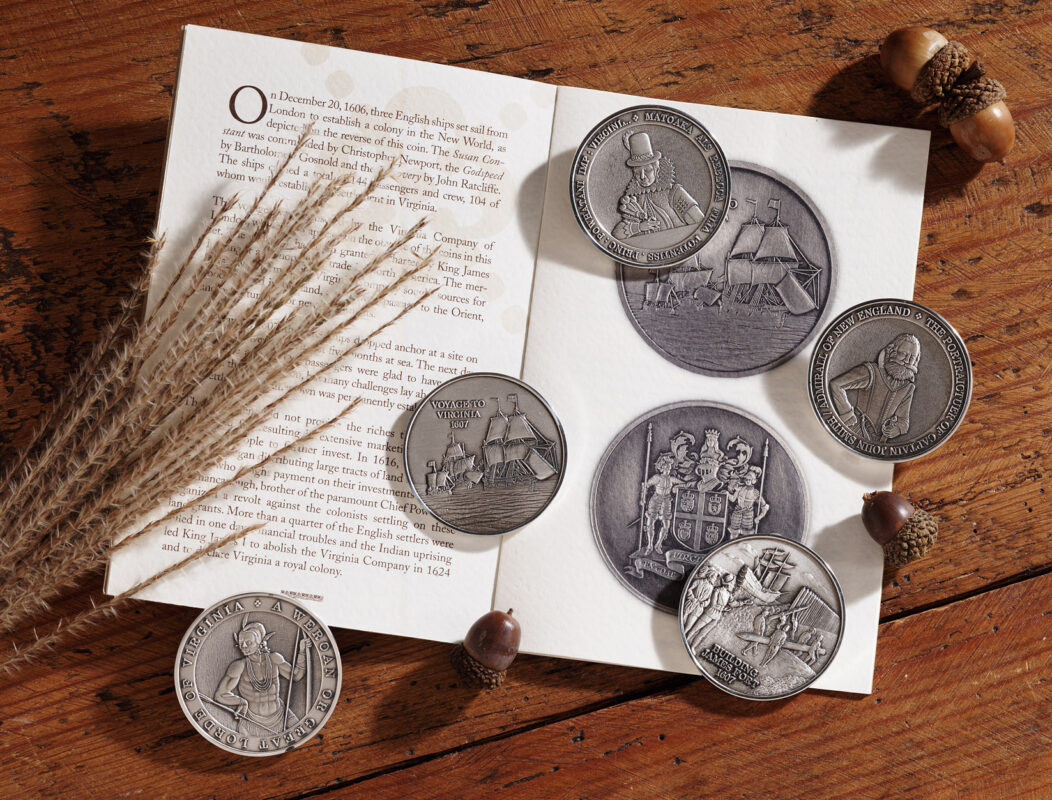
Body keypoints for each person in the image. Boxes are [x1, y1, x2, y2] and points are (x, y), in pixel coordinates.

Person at [215, 620, 308, 736]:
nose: (243, 646)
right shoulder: (239, 666)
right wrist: (241, 702)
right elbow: (220, 695)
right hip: (252, 720)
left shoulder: (274, 659)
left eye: (248, 642)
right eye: (241, 642)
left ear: (260, 642)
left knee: (301, 733)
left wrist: (302, 652)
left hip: (281, 715)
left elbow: (296, 676)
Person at [829, 333, 921, 443]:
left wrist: (897, 429)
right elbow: (837, 385)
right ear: (892, 351)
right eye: (903, 354)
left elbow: (903, 420)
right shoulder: (871, 372)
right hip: (855, 431)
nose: (906, 360)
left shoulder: (908, 388)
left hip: (878, 442)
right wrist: (847, 414)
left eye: (912, 358)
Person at [613, 131, 704, 240]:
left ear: (657, 169)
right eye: (637, 172)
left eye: (647, 170)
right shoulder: (633, 201)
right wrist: (639, 227)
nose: (642, 176)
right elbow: (616, 235)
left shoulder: (674, 192)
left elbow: (700, 222)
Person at [640, 452, 685, 555]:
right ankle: (650, 545)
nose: (668, 468)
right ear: (661, 467)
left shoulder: (671, 479)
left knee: (666, 524)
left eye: (669, 466)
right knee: (650, 522)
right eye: (666, 466)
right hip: (655, 500)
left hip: (667, 501)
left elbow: (683, 483)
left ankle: (658, 544)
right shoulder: (657, 478)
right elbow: (645, 485)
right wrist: (643, 498)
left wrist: (675, 487)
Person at [726, 466, 769, 538]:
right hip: (737, 514)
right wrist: (727, 494)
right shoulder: (740, 489)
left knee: (747, 537)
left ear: (754, 480)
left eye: (750, 479)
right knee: (733, 535)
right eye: (746, 479)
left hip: (748, 517)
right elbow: (733, 499)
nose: (747, 481)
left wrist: (759, 518)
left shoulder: (755, 493)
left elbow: (764, 507)